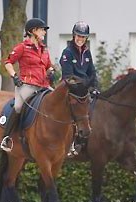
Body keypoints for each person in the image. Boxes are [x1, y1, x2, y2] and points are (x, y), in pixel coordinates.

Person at [0, 18, 52, 152]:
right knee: (18, 107)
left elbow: (48, 66)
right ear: (33, 31)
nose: (44, 33)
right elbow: (8, 62)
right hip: (27, 85)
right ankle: (7, 138)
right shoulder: (22, 47)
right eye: (42, 30)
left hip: (44, 85)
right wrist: (14, 76)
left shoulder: (44, 49)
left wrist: (51, 71)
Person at [59, 21, 98, 157]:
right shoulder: (67, 52)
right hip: (71, 88)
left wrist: (94, 86)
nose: (80, 39)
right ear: (73, 36)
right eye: (78, 36)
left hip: (84, 89)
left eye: (83, 37)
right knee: (76, 112)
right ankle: (72, 143)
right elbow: (68, 76)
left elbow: (92, 71)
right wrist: (84, 85)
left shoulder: (87, 52)